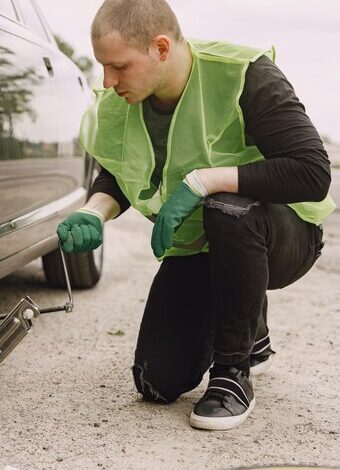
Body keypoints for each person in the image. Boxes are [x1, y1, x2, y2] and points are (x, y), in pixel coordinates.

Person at [57, 0, 335, 430]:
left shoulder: (244, 73)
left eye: (119, 67)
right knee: (157, 381)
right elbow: (116, 171)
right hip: (205, 244)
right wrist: (94, 212)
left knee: (228, 208)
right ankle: (249, 322)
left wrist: (205, 180)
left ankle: (233, 372)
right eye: (103, 67)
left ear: (161, 48)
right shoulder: (123, 98)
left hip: (281, 235)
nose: (108, 81)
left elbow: (312, 172)